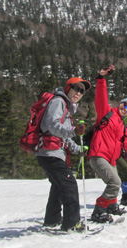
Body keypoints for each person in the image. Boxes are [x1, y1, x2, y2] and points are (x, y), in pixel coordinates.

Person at [35, 77, 91, 232]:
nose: (79, 93)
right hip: (50, 152)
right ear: (68, 88)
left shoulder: (66, 108)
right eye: (76, 88)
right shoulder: (58, 102)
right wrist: (73, 131)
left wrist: (79, 150)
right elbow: (51, 126)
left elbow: (64, 138)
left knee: (59, 186)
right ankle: (72, 223)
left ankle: (52, 220)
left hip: (51, 152)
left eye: (82, 91)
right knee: (69, 185)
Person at [88, 65, 127, 223]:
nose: (125, 109)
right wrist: (101, 78)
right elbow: (101, 97)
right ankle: (99, 209)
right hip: (98, 154)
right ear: (120, 104)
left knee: (115, 182)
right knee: (115, 182)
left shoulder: (122, 127)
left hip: (111, 158)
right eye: (124, 105)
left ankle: (111, 206)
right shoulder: (106, 113)